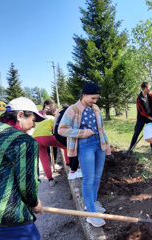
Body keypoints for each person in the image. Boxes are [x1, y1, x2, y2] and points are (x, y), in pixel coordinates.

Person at [58, 82, 111, 228]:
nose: (95, 101)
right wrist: (83, 133)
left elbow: (102, 128)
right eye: (93, 98)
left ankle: (92, 203)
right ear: (84, 95)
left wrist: (106, 144)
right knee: (88, 178)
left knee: (97, 176)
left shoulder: (96, 108)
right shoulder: (73, 109)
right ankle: (91, 215)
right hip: (85, 144)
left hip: (98, 143)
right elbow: (62, 130)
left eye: (97, 98)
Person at [0, 97, 46, 239]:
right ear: (20, 115)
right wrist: (35, 202)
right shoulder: (23, 141)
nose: (33, 125)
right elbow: (26, 183)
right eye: (32, 120)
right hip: (9, 218)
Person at [33, 106, 70, 187]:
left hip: (35, 139)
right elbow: (56, 132)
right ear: (54, 113)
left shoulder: (42, 118)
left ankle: (50, 180)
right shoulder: (52, 119)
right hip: (47, 137)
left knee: (44, 159)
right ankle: (68, 163)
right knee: (65, 146)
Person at [123, 82, 152, 159]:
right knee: (136, 133)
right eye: (149, 87)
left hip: (150, 116)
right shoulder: (139, 98)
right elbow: (142, 112)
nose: (150, 88)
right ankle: (130, 150)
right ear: (145, 88)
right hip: (141, 118)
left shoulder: (150, 95)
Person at [53, 105, 82, 180]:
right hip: (64, 133)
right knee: (75, 149)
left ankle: (72, 168)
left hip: (57, 133)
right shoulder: (71, 113)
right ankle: (73, 171)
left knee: (70, 148)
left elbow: (55, 124)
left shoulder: (59, 113)